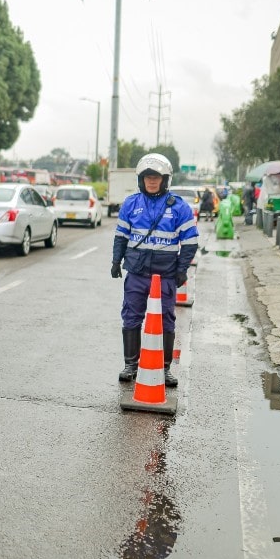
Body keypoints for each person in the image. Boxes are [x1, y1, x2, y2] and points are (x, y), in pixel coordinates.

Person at [111, 154, 199, 387]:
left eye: (156, 177)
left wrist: (182, 270)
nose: (151, 181)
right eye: (147, 177)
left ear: (164, 179)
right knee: (131, 317)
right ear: (141, 179)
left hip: (165, 276)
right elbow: (121, 237)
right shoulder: (131, 204)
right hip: (137, 274)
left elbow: (190, 242)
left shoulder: (178, 207)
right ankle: (131, 365)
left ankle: (165, 368)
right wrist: (115, 261)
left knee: (166, 321)